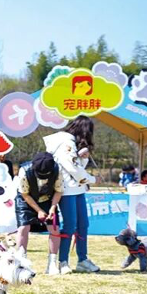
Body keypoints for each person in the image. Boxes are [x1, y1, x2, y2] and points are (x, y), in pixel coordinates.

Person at [44, 115, 100, 274]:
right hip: (66, 190)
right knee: (69, 225)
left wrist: (84, 159)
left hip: (78, 189)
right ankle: (63, 261)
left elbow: (76, 165)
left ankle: (82, 259)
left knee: (83, 224)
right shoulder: (65, 143)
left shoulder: (73, 144)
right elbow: (71, 167)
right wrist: (91, 179)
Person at [15, 153, 63, 275]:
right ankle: (21, 261)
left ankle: (52, 263)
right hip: (26, 199)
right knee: (23, 228)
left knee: (54, 228)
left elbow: (58, 191)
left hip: (48, 199)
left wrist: (52, 208)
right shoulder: (24, 171)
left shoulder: (58, 169)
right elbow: (25, 194)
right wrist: (39, 211)